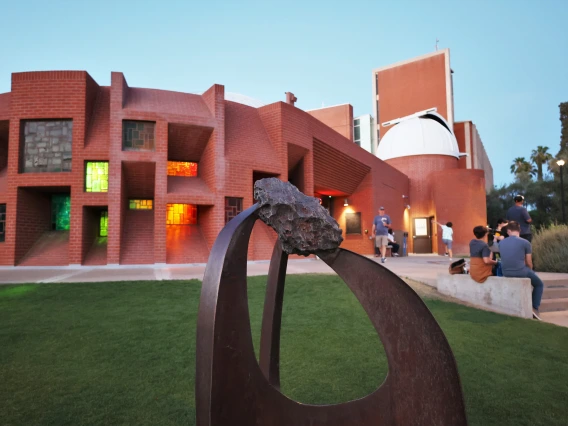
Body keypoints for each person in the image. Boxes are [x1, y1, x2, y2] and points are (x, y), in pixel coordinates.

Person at [499, 221, 544, 320]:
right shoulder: (525, 242)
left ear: (509, 231)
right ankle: (534, 308)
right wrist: (531, 271)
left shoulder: (501, 243)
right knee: (539, 284)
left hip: (505, 272)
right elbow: (529, 262)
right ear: (520, 230)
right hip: (520, 271)